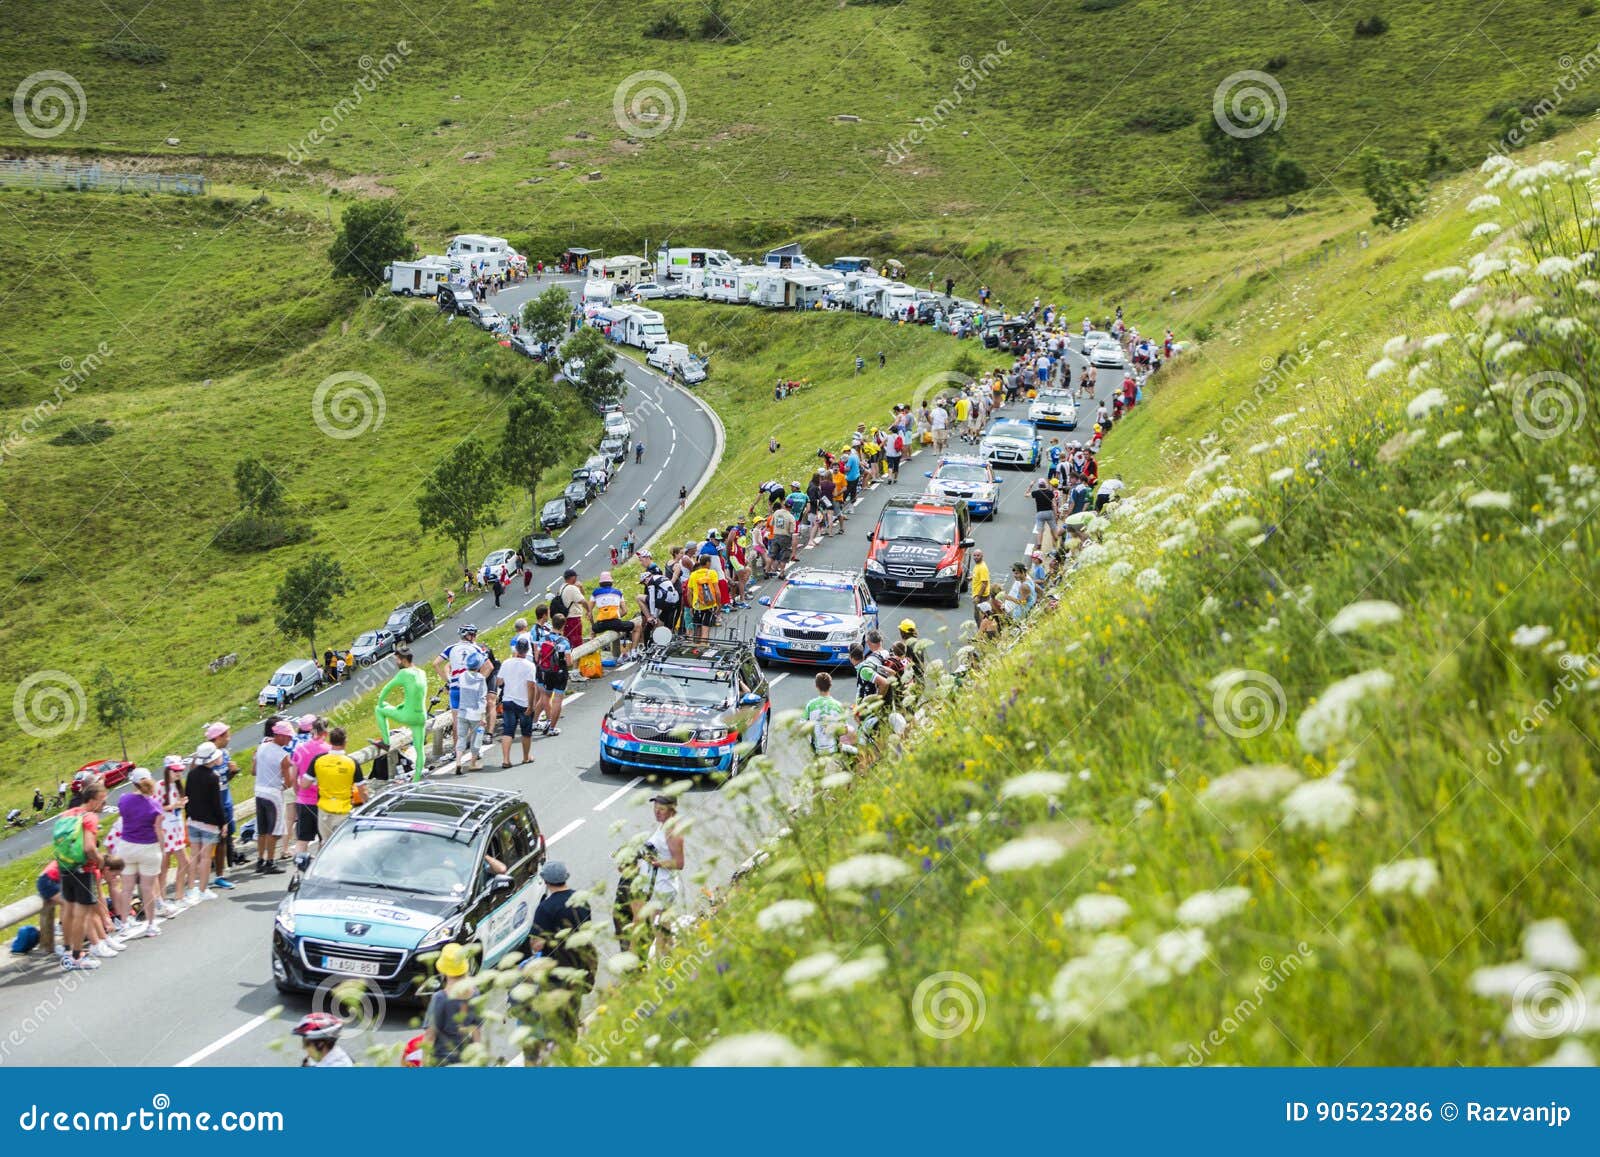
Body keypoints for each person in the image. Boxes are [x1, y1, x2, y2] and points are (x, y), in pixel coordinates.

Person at [528, 861, 597, 1038]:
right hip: (580, 964)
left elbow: (537, 945)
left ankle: (564, 1055)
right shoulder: (581, 899)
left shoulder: (545, 908)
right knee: (572, 1013)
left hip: (556, 971)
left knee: (556, 1022)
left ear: (545, 881)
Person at [55, 776, 109, 970]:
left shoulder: (67, 814)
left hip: (65, 867)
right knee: (82, 915)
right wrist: (101, 860)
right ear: (93, 800)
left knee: (69, 912)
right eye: (103, 800)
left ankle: (68, 953)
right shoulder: (90, 817)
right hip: (83, 869)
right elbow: (88, 848)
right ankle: (77, 957)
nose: (105, 804)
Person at [632, 796, 685, 956]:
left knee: (640, 923)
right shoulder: (664, 825)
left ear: (671, 810)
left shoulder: (673, 831)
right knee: (662, 925)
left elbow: (679, 863)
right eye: (655, 807)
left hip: (661, 886)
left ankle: (635, 963)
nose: (656, 811)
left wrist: (657, 863)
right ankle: (667, 959)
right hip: (656, 883)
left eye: (661, 809)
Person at [115, 769, 166, 936]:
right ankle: (151, 924)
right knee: (147, 888)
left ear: (133, 783)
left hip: (127, 846)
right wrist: (163, 849)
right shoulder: (155, 805)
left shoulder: (123, 800)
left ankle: (123, 924)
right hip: (149, 848)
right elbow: (159, 830)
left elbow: (124, 816)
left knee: (126, 889)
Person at [424, 943, 482, 1066]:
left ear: (443, 969)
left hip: (442, 1061)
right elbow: (477, 1031)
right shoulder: (475, 993)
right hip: (467, 1059)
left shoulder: (440, 998)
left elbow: (430, 1036)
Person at [376, 648, 429, 781]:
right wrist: (404, 704)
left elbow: (387, 688)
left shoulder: (404, 673)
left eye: (397, 660)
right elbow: (418, 694)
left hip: (408, 716)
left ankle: (386, 741)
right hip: (421, 716)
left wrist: (381, 702)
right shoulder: (422, 672)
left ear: (404, 660)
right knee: (419, 748)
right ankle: (416, 780)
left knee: (379, 709)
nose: (396, 663)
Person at [182, 743, 226, 904]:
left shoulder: (192, 774)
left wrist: (189, 816)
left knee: (194, 856)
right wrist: (223, 823)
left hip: (193, 820)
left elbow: (187, 797)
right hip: (209, 823)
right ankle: (202, 889)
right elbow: (217, 804)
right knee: (206, 858)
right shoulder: (213, 777)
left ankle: (191, 889)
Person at [253, 720, 293, 874]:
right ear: (280, 736)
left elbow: (255, 769)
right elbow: (288, 782)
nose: (289, 740)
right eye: (288, 737)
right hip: (273, 794)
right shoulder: (284, 756)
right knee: (274, 829)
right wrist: (283, 786)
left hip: (259, 791)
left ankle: (260, 859)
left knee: (262, 829)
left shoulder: (261, 747)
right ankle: (270, 861)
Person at [310, 728, 361, 842]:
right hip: (343, 811)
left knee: (326, 844)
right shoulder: (351, 762)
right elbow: (363, 791)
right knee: (342, 844)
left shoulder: (318, 760)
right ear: (345, 741)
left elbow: (304, 784)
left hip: (324, 811)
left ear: (330, 741)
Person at [497, 637, 539, 768]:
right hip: (523, 702)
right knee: (526, 732)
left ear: (516, 649)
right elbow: (531, 686)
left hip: (508, 700)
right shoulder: (530, 666)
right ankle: (526, 757)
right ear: (527, 650)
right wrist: (531, 705)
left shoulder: (506, 663)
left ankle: (505, 759)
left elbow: (499, 682)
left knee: (508, 731)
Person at [157, 755, 190, 911]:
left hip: (176, 828)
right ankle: (161, 899)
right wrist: (174, 805)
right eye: (175, 771)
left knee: (185, 862)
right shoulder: (159, 786)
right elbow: (156, 808)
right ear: (168, 770)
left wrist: (180, 805)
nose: (178, 774)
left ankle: (179, 896)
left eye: (180, 771)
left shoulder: (178, 786)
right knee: (164, 866)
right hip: (164, 829)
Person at [590, 571, 641, 658]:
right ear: (611, 582)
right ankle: (633, 651)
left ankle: (595, 654)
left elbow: (589, 612)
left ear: (600, 583)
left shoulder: (595, 593)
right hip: (616, 623)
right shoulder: (618, 592)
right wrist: (617, 616)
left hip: (601, 624)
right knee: (637, 627)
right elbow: (625, 611)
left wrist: (593, 624)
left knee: (592, 632)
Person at [536, 613, 572, 735]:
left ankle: (548, 719)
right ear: (563, 625)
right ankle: (552, 728)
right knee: (557, 700)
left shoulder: (543, 639)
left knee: (546, 695)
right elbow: (569, 662)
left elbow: (538, 657)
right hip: (560, 672)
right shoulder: (565, 642)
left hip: (546, 672)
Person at [454, 653, 488, 773]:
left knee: (461, 737)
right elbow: (482, 698)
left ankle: (458, 762)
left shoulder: (462, 676)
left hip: (462, 712)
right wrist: (483, 716)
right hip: (475, 714)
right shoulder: (481, 679)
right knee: (477, 738)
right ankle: (473, 763)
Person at [803, 671, 847, 756]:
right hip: (834, 750)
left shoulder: (810, 705)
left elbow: (802, 727)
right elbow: (844, 730)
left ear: (816, 686)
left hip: (816, 749)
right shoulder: (839, 705)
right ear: (830, 686)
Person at [685, 553, 722, 639]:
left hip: (697, 605)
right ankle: (704, 645)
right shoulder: (712, 573)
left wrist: (691, 606)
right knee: (706, 626)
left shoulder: (693, 575)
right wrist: (718, 604)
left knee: (697, 626)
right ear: (708, 562)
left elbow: (688, 593)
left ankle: (696, 647)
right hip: (710, 604)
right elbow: (717, 591)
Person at [555, 569, 588, 650]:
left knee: (568, 641)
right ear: (572, 577)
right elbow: (583, 601)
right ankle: (577, 660)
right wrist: (589, 611)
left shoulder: (562, 587)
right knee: (576, 641)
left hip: (566, 619)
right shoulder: (572, 588)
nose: (576, 578)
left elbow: (582, 594)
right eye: (575, 577)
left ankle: (569, 659)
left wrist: (580, 587)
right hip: (574, 619)